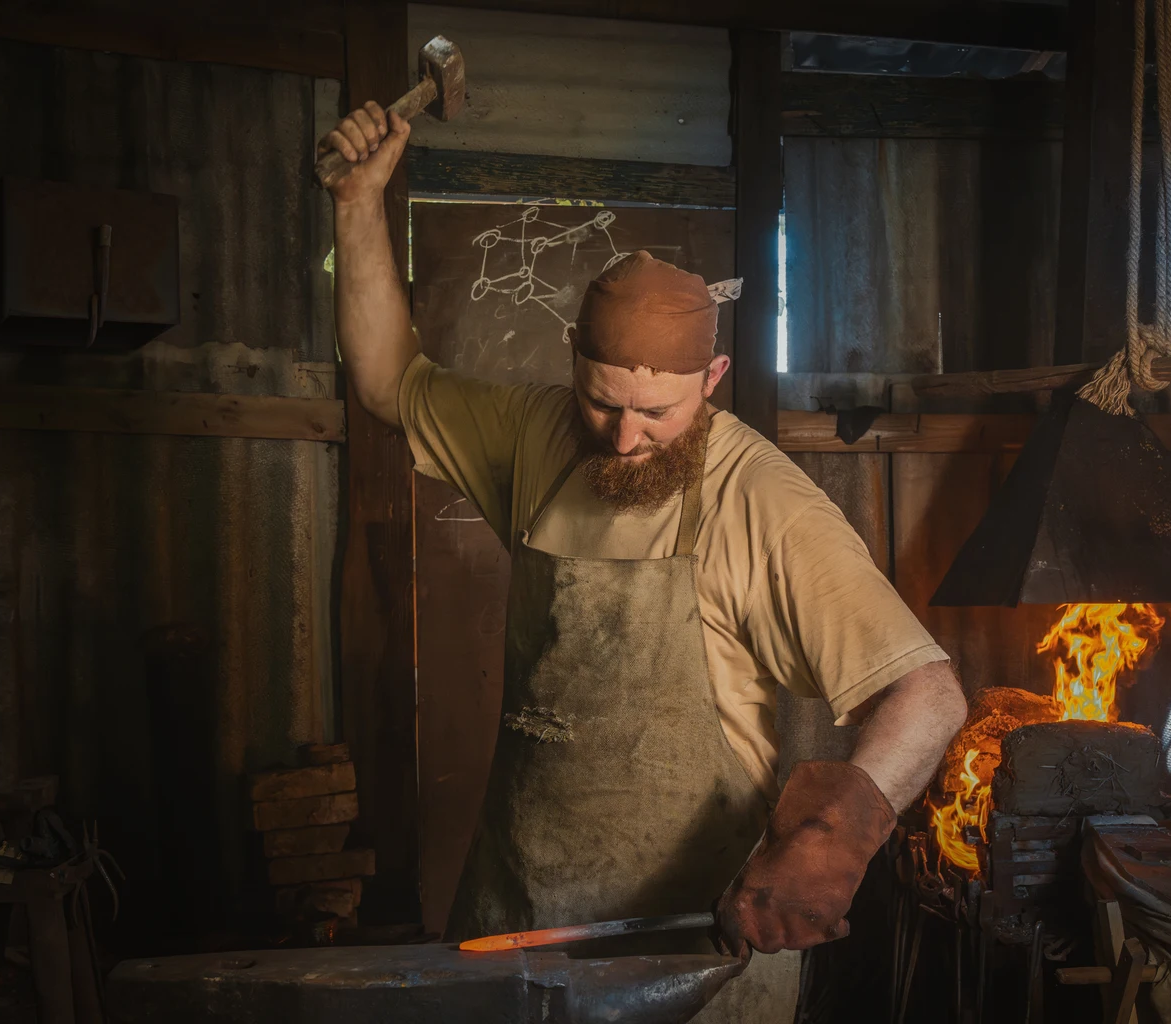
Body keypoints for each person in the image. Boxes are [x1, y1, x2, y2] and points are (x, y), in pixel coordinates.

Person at [321, 103, 968, 1022]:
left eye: (658, 414)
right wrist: (358, 203)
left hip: (689, 951)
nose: (625, 439)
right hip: (519, 920)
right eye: (603, 404)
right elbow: (391, 383)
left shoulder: (760, 501)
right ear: (572, 361)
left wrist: (838, 833)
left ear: (711, 379)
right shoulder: (535, 433)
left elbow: (928, 693)